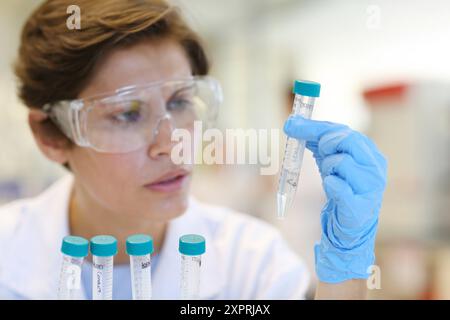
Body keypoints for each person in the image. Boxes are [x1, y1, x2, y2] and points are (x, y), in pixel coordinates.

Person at [0, 0, 387, 299]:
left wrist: (346, 275)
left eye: (180, 101)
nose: (174, 144)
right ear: (51, 136)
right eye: (126, 115)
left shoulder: (251, 260)